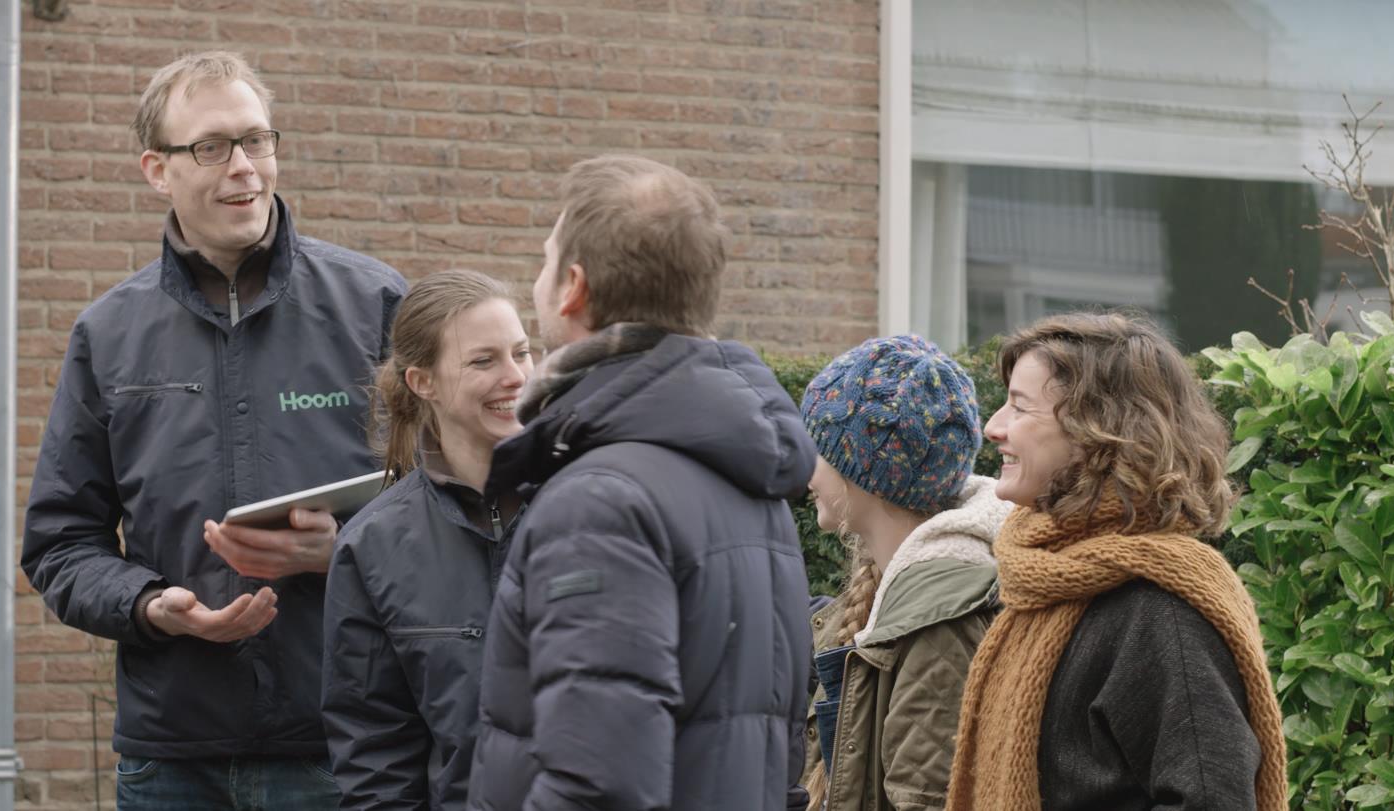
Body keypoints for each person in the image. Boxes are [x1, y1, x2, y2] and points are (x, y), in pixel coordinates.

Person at [21, 50, 405, 810]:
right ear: (155, 170)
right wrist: (148, 603)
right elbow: (60, 541)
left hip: (344, 746)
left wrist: (348, 550)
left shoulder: (377, 305)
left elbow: (455, 503)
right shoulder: (109, 332)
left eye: (257, 140)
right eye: (212, 146)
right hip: (172, 758)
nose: (245, 168)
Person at [467, 155, 817, 810]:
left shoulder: (600, 504)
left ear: (573, 287)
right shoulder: (743, 477)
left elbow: (598, 786)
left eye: (545, 262)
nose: (536, 282)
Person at [944, 313, 1287, 811]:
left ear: (1100, 433)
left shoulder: (1160, 615)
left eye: (1020, 407)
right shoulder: (1041, 582)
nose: (993, 427)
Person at [321, 269, 534, 810]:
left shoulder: (592, 504)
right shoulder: (373, 545)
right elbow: (376, 759)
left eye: (522, 353)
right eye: (483, 361)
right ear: (423, 382)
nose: (515, 376)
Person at [796, 335, 1009, 811]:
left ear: (864, 469)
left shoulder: (939, 618)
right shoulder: (889, 588)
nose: (802, 467)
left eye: (817, 447)